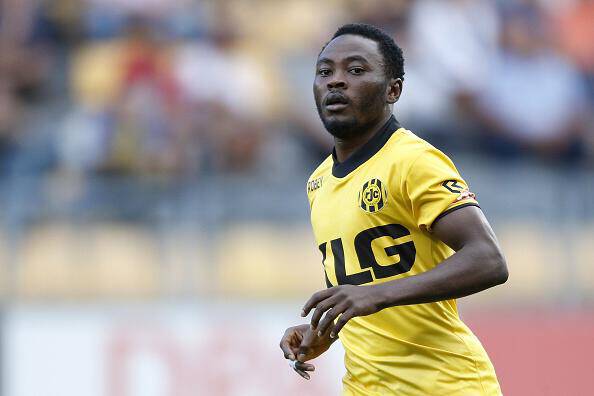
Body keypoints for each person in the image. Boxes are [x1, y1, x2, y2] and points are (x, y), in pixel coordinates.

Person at [279, 23, 508, 395]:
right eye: (325, 71)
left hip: (445, 386)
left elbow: (489, 259)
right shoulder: (319, 181)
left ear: (393, 89)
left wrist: (376, 294)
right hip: (365, 386)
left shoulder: (412, 161)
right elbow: (358, 284)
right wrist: (324, 331)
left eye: (355, 70)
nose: (336, 81)